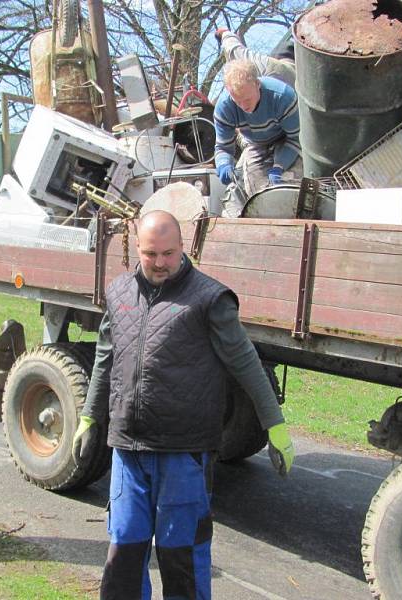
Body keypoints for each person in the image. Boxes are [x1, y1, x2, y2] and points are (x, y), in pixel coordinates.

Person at [72, 210, 294, 600]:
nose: (160, 263)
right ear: (136, 248)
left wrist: (273, 423)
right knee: (123, 553)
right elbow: (106, 357)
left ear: (184, 247)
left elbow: (245, 362)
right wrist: (90, 416)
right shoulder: (119, 292)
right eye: (150, 254)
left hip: (184, 453)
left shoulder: (209, 298)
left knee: (182, 559)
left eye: (169, 254)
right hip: (127, 449)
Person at [214, 58, 302, 213]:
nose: (243, 106)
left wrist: (279, 166)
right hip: (255, 143)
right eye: (237, 101)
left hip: (287, 139)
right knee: (256, 192)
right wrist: (223, 163)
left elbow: (296, 139)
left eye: (247, 99)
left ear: (257, 84)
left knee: (290, 187)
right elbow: (223, 147)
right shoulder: (224, 108)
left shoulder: (283, 97)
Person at [215, 27, 296, 87]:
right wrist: (225, 34)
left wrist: (225, 33)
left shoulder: (269, 67)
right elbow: (235, 50)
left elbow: (234, 49)